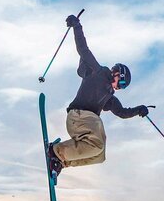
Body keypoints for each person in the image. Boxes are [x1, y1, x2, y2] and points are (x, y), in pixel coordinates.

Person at [47, 14, 150, 180]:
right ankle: (55, 150)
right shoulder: (98, 72)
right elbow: (84, 50)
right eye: (121, 83)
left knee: (99, 154)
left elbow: (122, 112)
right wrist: (77, 26)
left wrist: (139, 110)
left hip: (85, 126)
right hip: (77, 117)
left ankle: (61, 161)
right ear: (117, 73)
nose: (120, 88)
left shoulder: (109, 96)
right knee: (98, 128)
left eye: (123, 87)